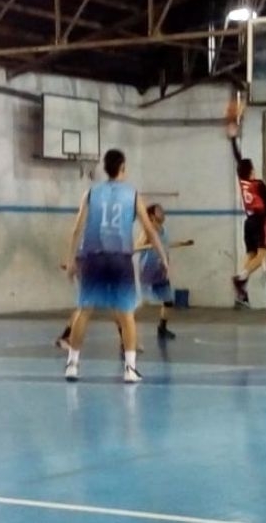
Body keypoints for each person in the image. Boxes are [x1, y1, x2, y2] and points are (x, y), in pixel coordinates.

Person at [62, 149, 168, 383]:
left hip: (93, 258)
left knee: (84, 310)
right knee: (126, 314)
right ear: (122, 168)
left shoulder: (91, 193)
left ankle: (72, 364)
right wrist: (163, 257)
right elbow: (150, 230)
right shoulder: (132, 194)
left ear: (105, 168)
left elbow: (77, 229)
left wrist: (71, 260)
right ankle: (130, 369)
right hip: (120, 259)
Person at [226, 119, 266, 307]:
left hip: (248, 222)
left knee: (251, 255)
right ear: (251, 171)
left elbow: (238, 159)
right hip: (260, 220)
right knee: (262, 255)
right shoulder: (258, 184)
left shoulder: (242, 182)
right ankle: (241, 278)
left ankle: (242, 291)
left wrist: (233, 139)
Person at [137, 204, 194, 340]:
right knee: (141, 302)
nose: (162, 213)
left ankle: (162, 328)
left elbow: (166, 244)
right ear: (152, 216)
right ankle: (125, 326)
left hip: (161, 271)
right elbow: (137, 246)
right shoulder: (148, 231)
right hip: (149, 270)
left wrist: (183, 243)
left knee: (168, 301)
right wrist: (149, 245)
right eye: (159, 211)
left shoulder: (163, 230)